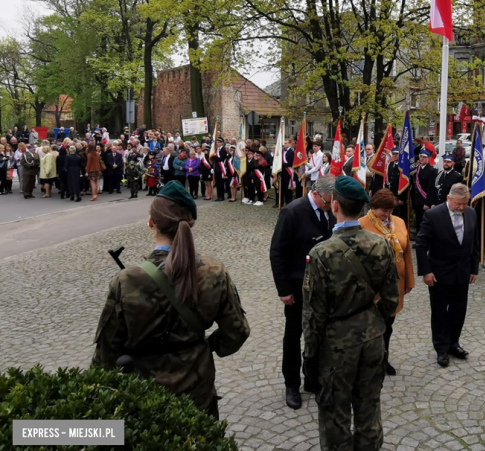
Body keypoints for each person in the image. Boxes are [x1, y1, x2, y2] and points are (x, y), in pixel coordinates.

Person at [92, 181, 250, 419]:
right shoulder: (214, 271)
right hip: (197, 387)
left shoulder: (127, 280)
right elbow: (236, 332)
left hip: (143, 394)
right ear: (190, 224)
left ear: (151, 223)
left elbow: (106, 354)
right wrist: (204, 347)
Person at [302, 177, 399, 450]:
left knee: (335, 414)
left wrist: (309, 356)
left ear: (334, 206)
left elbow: (314, 315)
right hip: (372, 339)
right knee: (369, 407)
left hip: (336, 344)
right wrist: (372, 322)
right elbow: (392, 299)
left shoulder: (321, 253)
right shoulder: (381, 244)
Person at [269, 175, 337, 409]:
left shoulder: (329, 210)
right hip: (298, 287)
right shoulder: (292, 212)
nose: (331, 207)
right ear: (316, 194)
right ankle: (291, 383)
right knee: (293, 335)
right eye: (329, 202)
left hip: (324, 287)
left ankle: (312, 377)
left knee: (320, 333)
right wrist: (284, 289)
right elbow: (277, 252)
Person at [416, 183, 479, 368]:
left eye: (464, 204)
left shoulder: (471, 213)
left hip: (462, 272)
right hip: (439, 274)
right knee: (440, 313)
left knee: (459, 311)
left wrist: (474, 269)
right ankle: (441, 348)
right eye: (458, 204)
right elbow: (421, 245)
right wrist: (426, 271)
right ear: (448, 199)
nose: (461, 207)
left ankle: (454, 343)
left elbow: (474, 243)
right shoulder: (433, 216)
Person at [359, 189, 414, 376]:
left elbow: (406, 253)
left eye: (390, 210)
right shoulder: (361, 224)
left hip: (395, 284)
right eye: (383, 210)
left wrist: (409, 281)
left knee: (388, 326)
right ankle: (368, 361)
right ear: (373, 207)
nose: (387, 214)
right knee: (371, 326)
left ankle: (383, 359)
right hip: (372, 286)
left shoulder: (398, 222)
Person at [411, 149, 437, 234]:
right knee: (418, 219)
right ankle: (418, 235)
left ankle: (423, 237)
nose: (422, 159)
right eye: (421, 157)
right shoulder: (417, 169)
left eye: (424, 157)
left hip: (424, 199)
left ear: (429, 159)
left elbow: (431, 188)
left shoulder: (431, 171)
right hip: (417, 199)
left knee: (424, 220)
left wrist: (428, 202)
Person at [385, 148, 408, 224]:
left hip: (399, 195)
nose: (394, 156)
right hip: (391, 195)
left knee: (400, 216)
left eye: (396, 154)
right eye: (393, 154)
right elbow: (388, 181)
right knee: (392, 215)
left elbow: (404, 184)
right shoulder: (390, 165)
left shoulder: (403, 167)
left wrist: (402, 198)